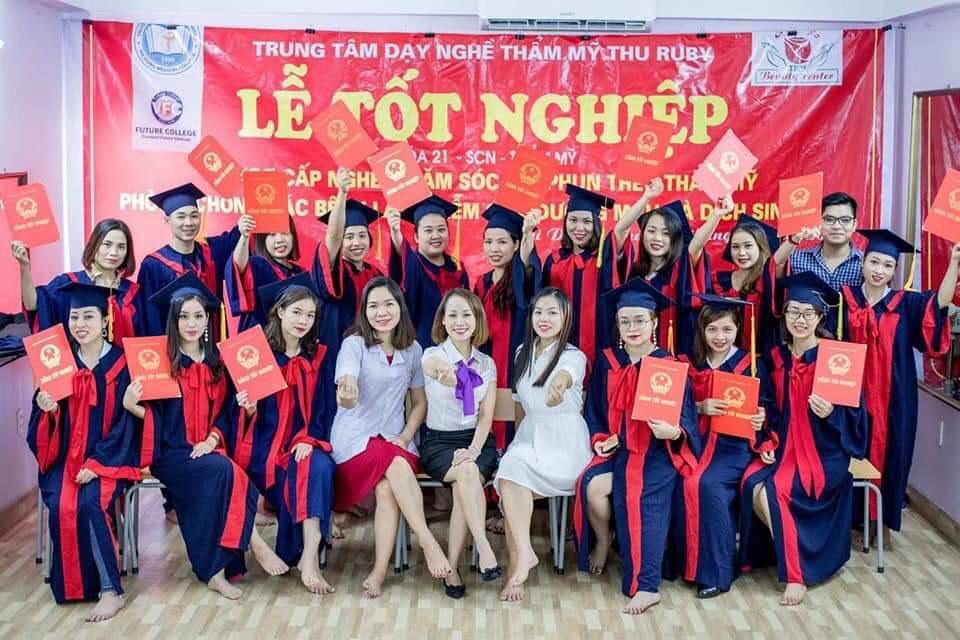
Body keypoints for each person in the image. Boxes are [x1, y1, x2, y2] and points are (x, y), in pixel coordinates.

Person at [123, 272, 290, 600]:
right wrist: (132, 406)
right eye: (184, 316)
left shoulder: (219, 362)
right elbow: (158, 418)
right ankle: (254, 544)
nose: (191, 323)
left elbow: (228, 413)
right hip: (171, 453)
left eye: (198, 316)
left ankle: (215, 572)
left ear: (207, 319)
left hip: (209, 448)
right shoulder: (159, 361)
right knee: (224, 471)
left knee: (222, 472)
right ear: (173, 320)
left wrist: (213, 439)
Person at [739, 272, 868, 606]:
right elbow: (766, 404)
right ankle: (794, 551)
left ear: (821, 317)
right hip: (784, 448)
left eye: (808, 313)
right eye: (793, 311)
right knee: (750, 483)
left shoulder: (837, 359)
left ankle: (796, 573)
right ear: (784, 315)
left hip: (825, 454)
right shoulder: (775, 358)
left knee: (773, 489)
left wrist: (833, 413)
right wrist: (764, 430)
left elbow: (858, 418)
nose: (800, 319)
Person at [571, 279, 700, 615]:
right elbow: (594, 411)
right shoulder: (608, 361)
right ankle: (604, 541)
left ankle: (646, 586)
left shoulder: (669, 366)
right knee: (589, 485)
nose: (632, 328)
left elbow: (686, 419)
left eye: (640, 320)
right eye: (625, 321)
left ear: (654, 322)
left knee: (645, 502)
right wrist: (600, 439)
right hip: (617, 451)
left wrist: (674, 432)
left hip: (656, 452)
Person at [330, 276, 453, 598]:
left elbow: (419, 403)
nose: (381, 312)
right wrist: (347, 392)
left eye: (388, 304)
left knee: (387, 488)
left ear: (400, 307)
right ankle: (427, 541)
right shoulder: (353, 345)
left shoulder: (413, 350)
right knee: (395, 462)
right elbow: (346, 387)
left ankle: (379, 571)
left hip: (396, 438)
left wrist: (406, 435)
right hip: (356, 441)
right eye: (373, 306)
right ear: (364, 311)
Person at [27, 282, 140, 621]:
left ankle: (110, 591)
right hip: (63, 459)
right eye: (75, 317)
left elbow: (127, 426)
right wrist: (48, 410)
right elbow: (41, 429)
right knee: (64, 503)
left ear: (105, 320)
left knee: (91, 501)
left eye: (89, 317)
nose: (80, 324)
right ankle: (73, 586)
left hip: (109, 459)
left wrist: (99, 462)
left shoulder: (122, 364)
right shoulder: (59, 363)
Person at [840, 231, 959, 539]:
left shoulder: (905, 303)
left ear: (895, 270)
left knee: (892, 451)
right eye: (874, 262)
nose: (879, 270)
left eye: (887, 265)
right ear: (862, 262)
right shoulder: (844, 300)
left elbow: (939, 304)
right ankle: (846, 519)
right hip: (850, 396)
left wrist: (954, 263)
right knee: (847, 451)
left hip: (895, 397)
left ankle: (878, 519)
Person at [227, 273, 338, 594]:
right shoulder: (255, 354)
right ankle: (273, 548)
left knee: (318, 466)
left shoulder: (319, 356)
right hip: (262, 447)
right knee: (239, 474)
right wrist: (248, 409)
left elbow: (325, 408)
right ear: (279, 311)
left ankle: (309, 558)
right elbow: (240, 413)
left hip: (303, 443)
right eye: (296, 312)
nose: (303, 321)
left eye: (310, 315)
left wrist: (308, 439)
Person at [670, 295, 777, 599]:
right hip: (697, 445)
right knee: (682, 480)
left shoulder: (750, 364)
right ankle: (687, 565)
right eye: (713, 329)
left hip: (734, 448)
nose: (720, 337)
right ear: (702, 330)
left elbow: (769, 407)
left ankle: (717, 572)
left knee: (707, 485)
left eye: (727, 329)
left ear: (738, 328)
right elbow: (676, 405)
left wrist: (761, 418)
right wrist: (699, 407)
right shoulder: (690, 363)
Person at [494, 288, 592, 603]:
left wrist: (557, 389)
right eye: (539, 312)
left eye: (552, 312)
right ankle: (522, 558)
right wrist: (518, 441)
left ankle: (519, 566)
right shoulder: (522, 351)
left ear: (566, 318)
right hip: (531, 435)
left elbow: (564, 377)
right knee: (511, 471)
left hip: (565, 441)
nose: (544, 319)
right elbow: (520, 404)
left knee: (512, 484)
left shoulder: (573, 356)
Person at [420, 289, 503, 598]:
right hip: (439, 443)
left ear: (476, 319)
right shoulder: (432, 355)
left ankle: (452, 568)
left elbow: (486, 416)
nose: (459, 321)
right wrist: (448, 375)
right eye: (452, 315)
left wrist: (473, 450)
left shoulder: (487, 363)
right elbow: (436, 369)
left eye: (466, 314)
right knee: (467, 474)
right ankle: (483, 545)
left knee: (464, 480)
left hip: (477, 441)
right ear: (442, 321)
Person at [137, 182, 253, 338]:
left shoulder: (212, 251)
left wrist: (244, 225)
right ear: (167, 220)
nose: (189, 223)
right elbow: (149, 317)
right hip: (174, 346)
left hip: (210, 344)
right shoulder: (153, 265)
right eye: (181, 216)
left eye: (194, 216)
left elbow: (237, 236)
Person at [691, 206, 810, 355]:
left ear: (760, 248)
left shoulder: (765, 281)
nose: (741, 253)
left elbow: (777, 262)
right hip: (722, 359)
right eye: (735, 247)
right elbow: (694, 250)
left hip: (761, 360)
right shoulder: (718, 281)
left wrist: (793, 240)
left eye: (748, 246)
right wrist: (716, 214)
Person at [473, 203, 541, 451]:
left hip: (514, 364)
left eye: (502, 242)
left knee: (514, 427)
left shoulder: (520, 280)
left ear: (515, 245)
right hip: (485, 365)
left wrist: (528, 234)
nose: (494, 248)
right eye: (488, 242)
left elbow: (527, 265)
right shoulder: (481, 282)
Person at [614, 181, 707, 356]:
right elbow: (620, 229)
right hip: (634, 355)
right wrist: (646, 197)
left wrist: (716, 215)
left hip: (673, 355)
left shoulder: (680, 270)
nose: (657, 238)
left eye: (666, 233)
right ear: (642, 234)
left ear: (676, 239)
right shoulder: (633, 272)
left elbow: (697, 245)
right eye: (651, 231)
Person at [15, 218, 142, 342]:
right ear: (94, 245)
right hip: (77, 356)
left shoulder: (133, 293)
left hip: (123, 356)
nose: (114, 252)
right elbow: (33, 305)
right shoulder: (68, 284)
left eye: (121, 247)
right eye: (107, 245)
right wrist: (24, 267)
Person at [542, 184, 624, 366]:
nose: (579, 228)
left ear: (596, 224)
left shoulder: (603, 257)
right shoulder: (554, 261)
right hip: (561, 346)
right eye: (573, 220)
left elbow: (622, 230)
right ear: (565, 222)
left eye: (587, 221)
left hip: (601, 344)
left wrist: (647, 197)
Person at [312, 168, 384, 357]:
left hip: (370, 352)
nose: (357, 242)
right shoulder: (337, 269)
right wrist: (342, 193)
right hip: (336, 351)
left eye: (362, 235)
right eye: (349, 237)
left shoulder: (376, 274)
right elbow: (333, 237)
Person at [387, 195, 468, 348]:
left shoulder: (457, 267)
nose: (436, 235)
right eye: (428, 230)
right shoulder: (413, 265)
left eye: (441, 229)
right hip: (419, 349)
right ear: (416, 236)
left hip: (456, 348)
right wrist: (395, 231)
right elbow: (402, 255)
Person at [225, 210, 304, 331]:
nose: (279, 239)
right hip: (260, 337)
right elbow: (238, 266)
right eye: (272, 235)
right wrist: (244, 237)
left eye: (285, 233)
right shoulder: (257, 265)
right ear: (262, 240)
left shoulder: (300, 273)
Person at [788, 192, 864, 290]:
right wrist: (795, 238)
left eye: (845, 220)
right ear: (819, 222)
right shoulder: (796, 259)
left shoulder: (864, 265)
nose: (836, 226)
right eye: (829, 219)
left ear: (854, 225)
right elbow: (774, 271)